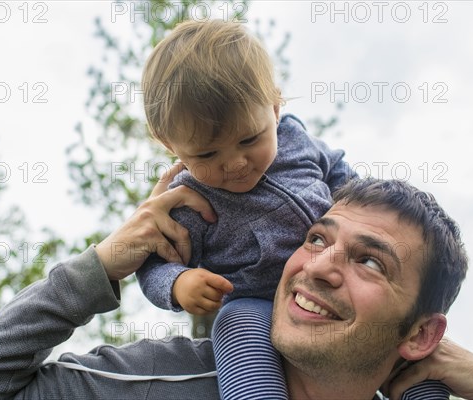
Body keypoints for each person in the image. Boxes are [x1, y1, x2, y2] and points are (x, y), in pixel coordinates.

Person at [0, 176, 473, 400]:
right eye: (315, 239)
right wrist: (99, 267)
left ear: (422, 333)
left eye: (371, 263)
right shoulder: (150, 384)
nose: (320, 267)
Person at [135, 19, 357, 399]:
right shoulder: (187, 200)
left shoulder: (295, 139)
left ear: (274, 107)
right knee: (234, 326)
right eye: (206, 154)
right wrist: (177, 283)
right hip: (259, 302)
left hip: (340, 276)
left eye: (250, 139)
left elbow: (340, 172)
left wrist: (370, 207)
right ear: (168, 143)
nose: (235, 163)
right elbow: (153, 263)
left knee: (400, 317)